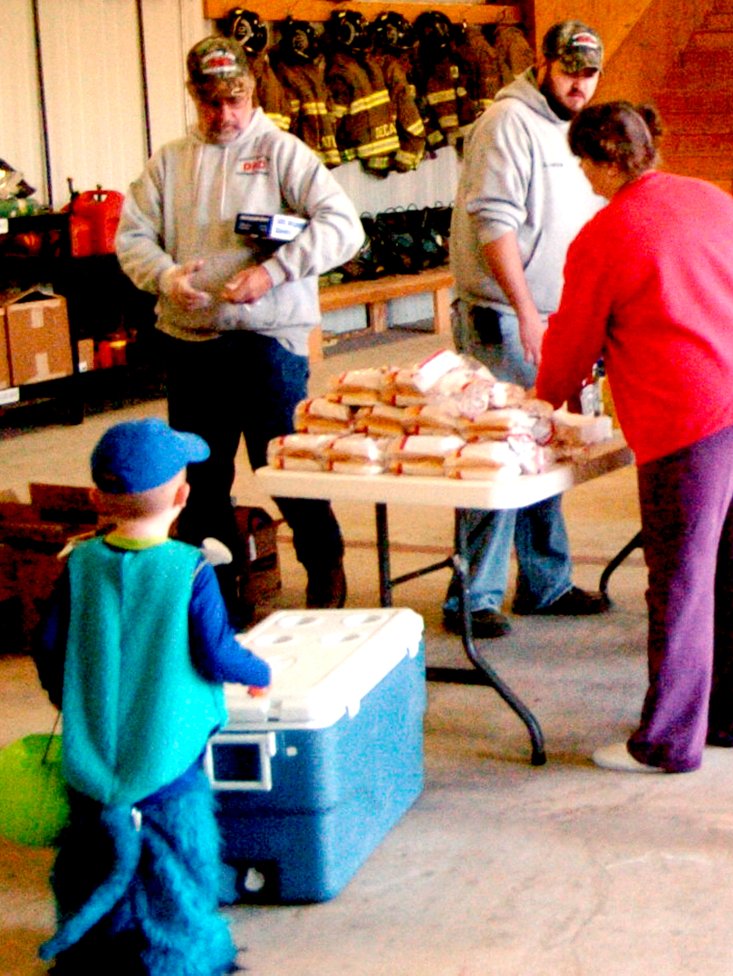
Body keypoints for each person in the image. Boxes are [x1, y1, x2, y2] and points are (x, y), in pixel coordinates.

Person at [535, 101, 733, 773]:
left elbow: (571, 343)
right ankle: (731, 719)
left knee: (681, 578)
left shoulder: (605, 233)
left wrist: (542, 403)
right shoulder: (712, 199)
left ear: (599, 161)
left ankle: (667, 743)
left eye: (584, 164)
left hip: (697, 411)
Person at [116, 36, 364, 615]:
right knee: (201, 483)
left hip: (267, 343)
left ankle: (326, 572)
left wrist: (273, 274)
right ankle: (219, 602)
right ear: (192, 97)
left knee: (284, 467)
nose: (223, 115)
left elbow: (344, 227)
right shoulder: (169, 162)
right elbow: (131, 237)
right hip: (192, 344)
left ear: (252, 92)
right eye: (210, 103)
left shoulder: (283, 153)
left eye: (234, 100)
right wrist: (165, 276)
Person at [32, 418, 272, 973]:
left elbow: (47, 645)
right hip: (168, 757)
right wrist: (259, 670)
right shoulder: (188, 569)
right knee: (176, 865)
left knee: (91, 858)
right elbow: (217, 651)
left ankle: (88, 950)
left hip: (92, 758)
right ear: (184, 495)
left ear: (96, 498)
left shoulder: (78, 565)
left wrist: (70, 699)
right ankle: (184, 959)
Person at [442, 21, 610, 639]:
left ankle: (545, 581)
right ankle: (473, 596)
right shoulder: (506, 123)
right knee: (497, 450)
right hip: (505, 317)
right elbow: (494, 224)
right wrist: (527, 311)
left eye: (589, 74)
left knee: (544, 448)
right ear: (543, 63)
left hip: (550, 313)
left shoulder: (574, 128)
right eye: (569, 70)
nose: (579, 84)